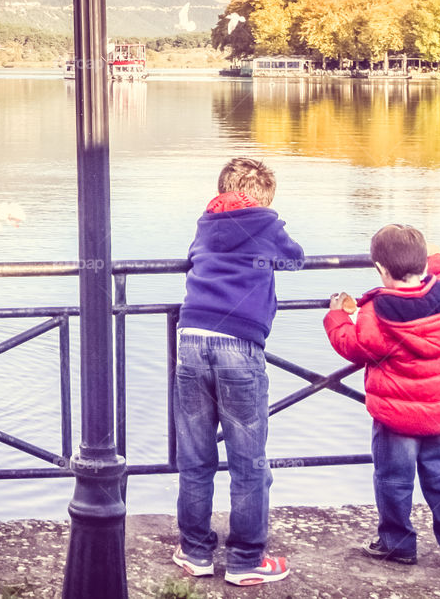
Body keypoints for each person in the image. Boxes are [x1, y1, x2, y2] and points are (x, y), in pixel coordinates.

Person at [172, 157, 304, 586]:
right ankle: (246, 561)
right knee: (248, 461)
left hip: (191, 338)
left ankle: (195, 553)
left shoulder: (204, 223)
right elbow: (295, 260)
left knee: (195, 456)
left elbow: (193, 258)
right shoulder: (266, 223)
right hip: (238, 346)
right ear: (265, 196)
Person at [323, 224, 440, 570]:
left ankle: (398, 544)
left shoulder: (378, 313)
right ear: (423, 262)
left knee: (394, 479)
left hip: (396, 419)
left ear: (380, 269)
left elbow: (353, 345)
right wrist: (439, 259)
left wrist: (336, 316)